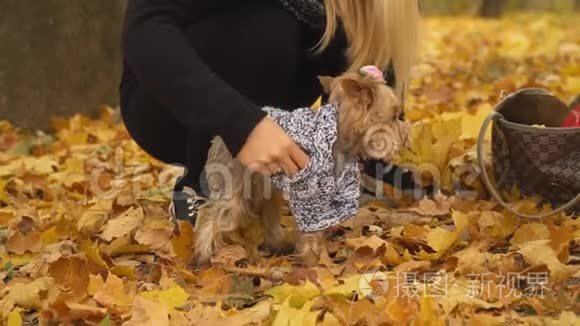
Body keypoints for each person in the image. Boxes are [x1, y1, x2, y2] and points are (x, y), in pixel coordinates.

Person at [119, 0, 421, 223]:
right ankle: (203, 185)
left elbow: (370, 54)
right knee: (271, 26)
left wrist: (378, 143)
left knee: (328, 27)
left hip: (267, 98)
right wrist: (240, 123)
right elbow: (144, 30)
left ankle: (356, 169)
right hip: (166, 102)